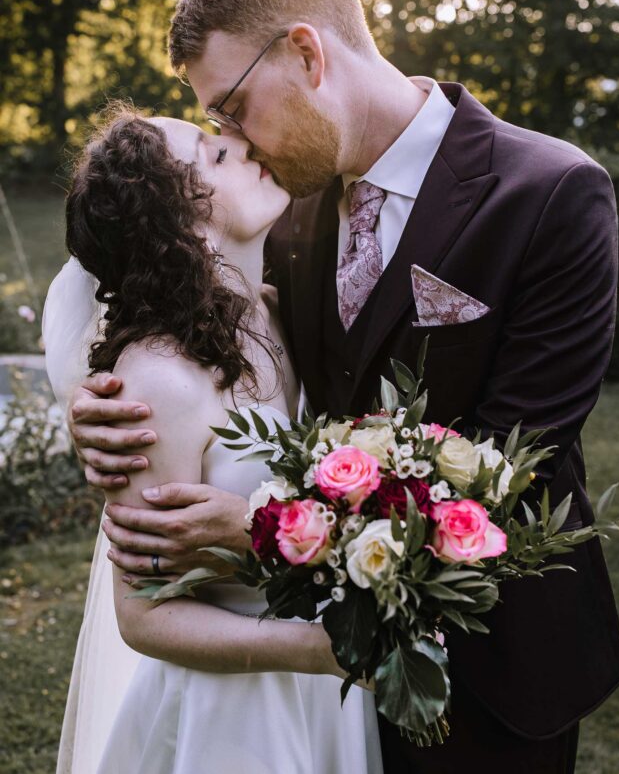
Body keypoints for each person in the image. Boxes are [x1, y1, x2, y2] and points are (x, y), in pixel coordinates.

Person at [48, 0, 619, 773]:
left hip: (493, 675)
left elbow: (510, 478)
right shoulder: (278, 210)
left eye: (233, 108)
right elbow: (187, 325)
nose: (233, 139)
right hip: (318, 700)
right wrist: (99, 399)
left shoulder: (550, 195)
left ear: (307, 54)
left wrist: (266, 534)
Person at [46, 104, 382, 774]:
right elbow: (144, 616)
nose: (240, 141)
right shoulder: (158, 382)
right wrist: (321, 649)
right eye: (214, 155)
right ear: (184, 225)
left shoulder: (276, 309)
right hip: (231, 720)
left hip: (324, 695)